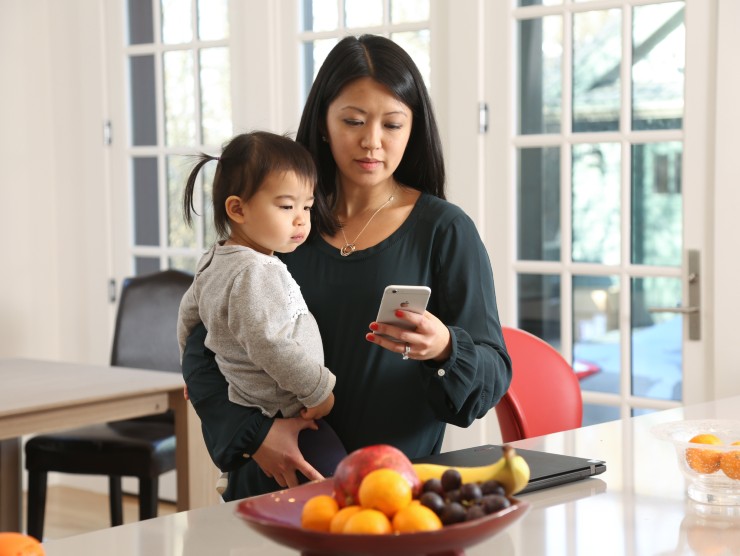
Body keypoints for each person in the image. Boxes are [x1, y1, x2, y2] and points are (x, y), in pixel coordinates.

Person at [182, 34, 512, 502]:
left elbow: (492, 369)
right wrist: (255, 437)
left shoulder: (444, 230)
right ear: (322, 123)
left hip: (393, 497)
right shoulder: (279, 222)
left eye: (392, 124)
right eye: (353, 120)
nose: (371, 141)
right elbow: (202, 350)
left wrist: (444, 348)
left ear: (413, 129)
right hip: (275, 483)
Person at [177, 132, 342, 487]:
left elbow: (189, 318)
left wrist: (187, 369)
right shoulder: (257, 271)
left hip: (250, 404)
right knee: (333, 486)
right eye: (286, 207)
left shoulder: (215, 259)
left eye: (307, 207)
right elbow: (270, 343)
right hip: (282, 406)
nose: (301, 220)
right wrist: (319, 390)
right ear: (238, 209)